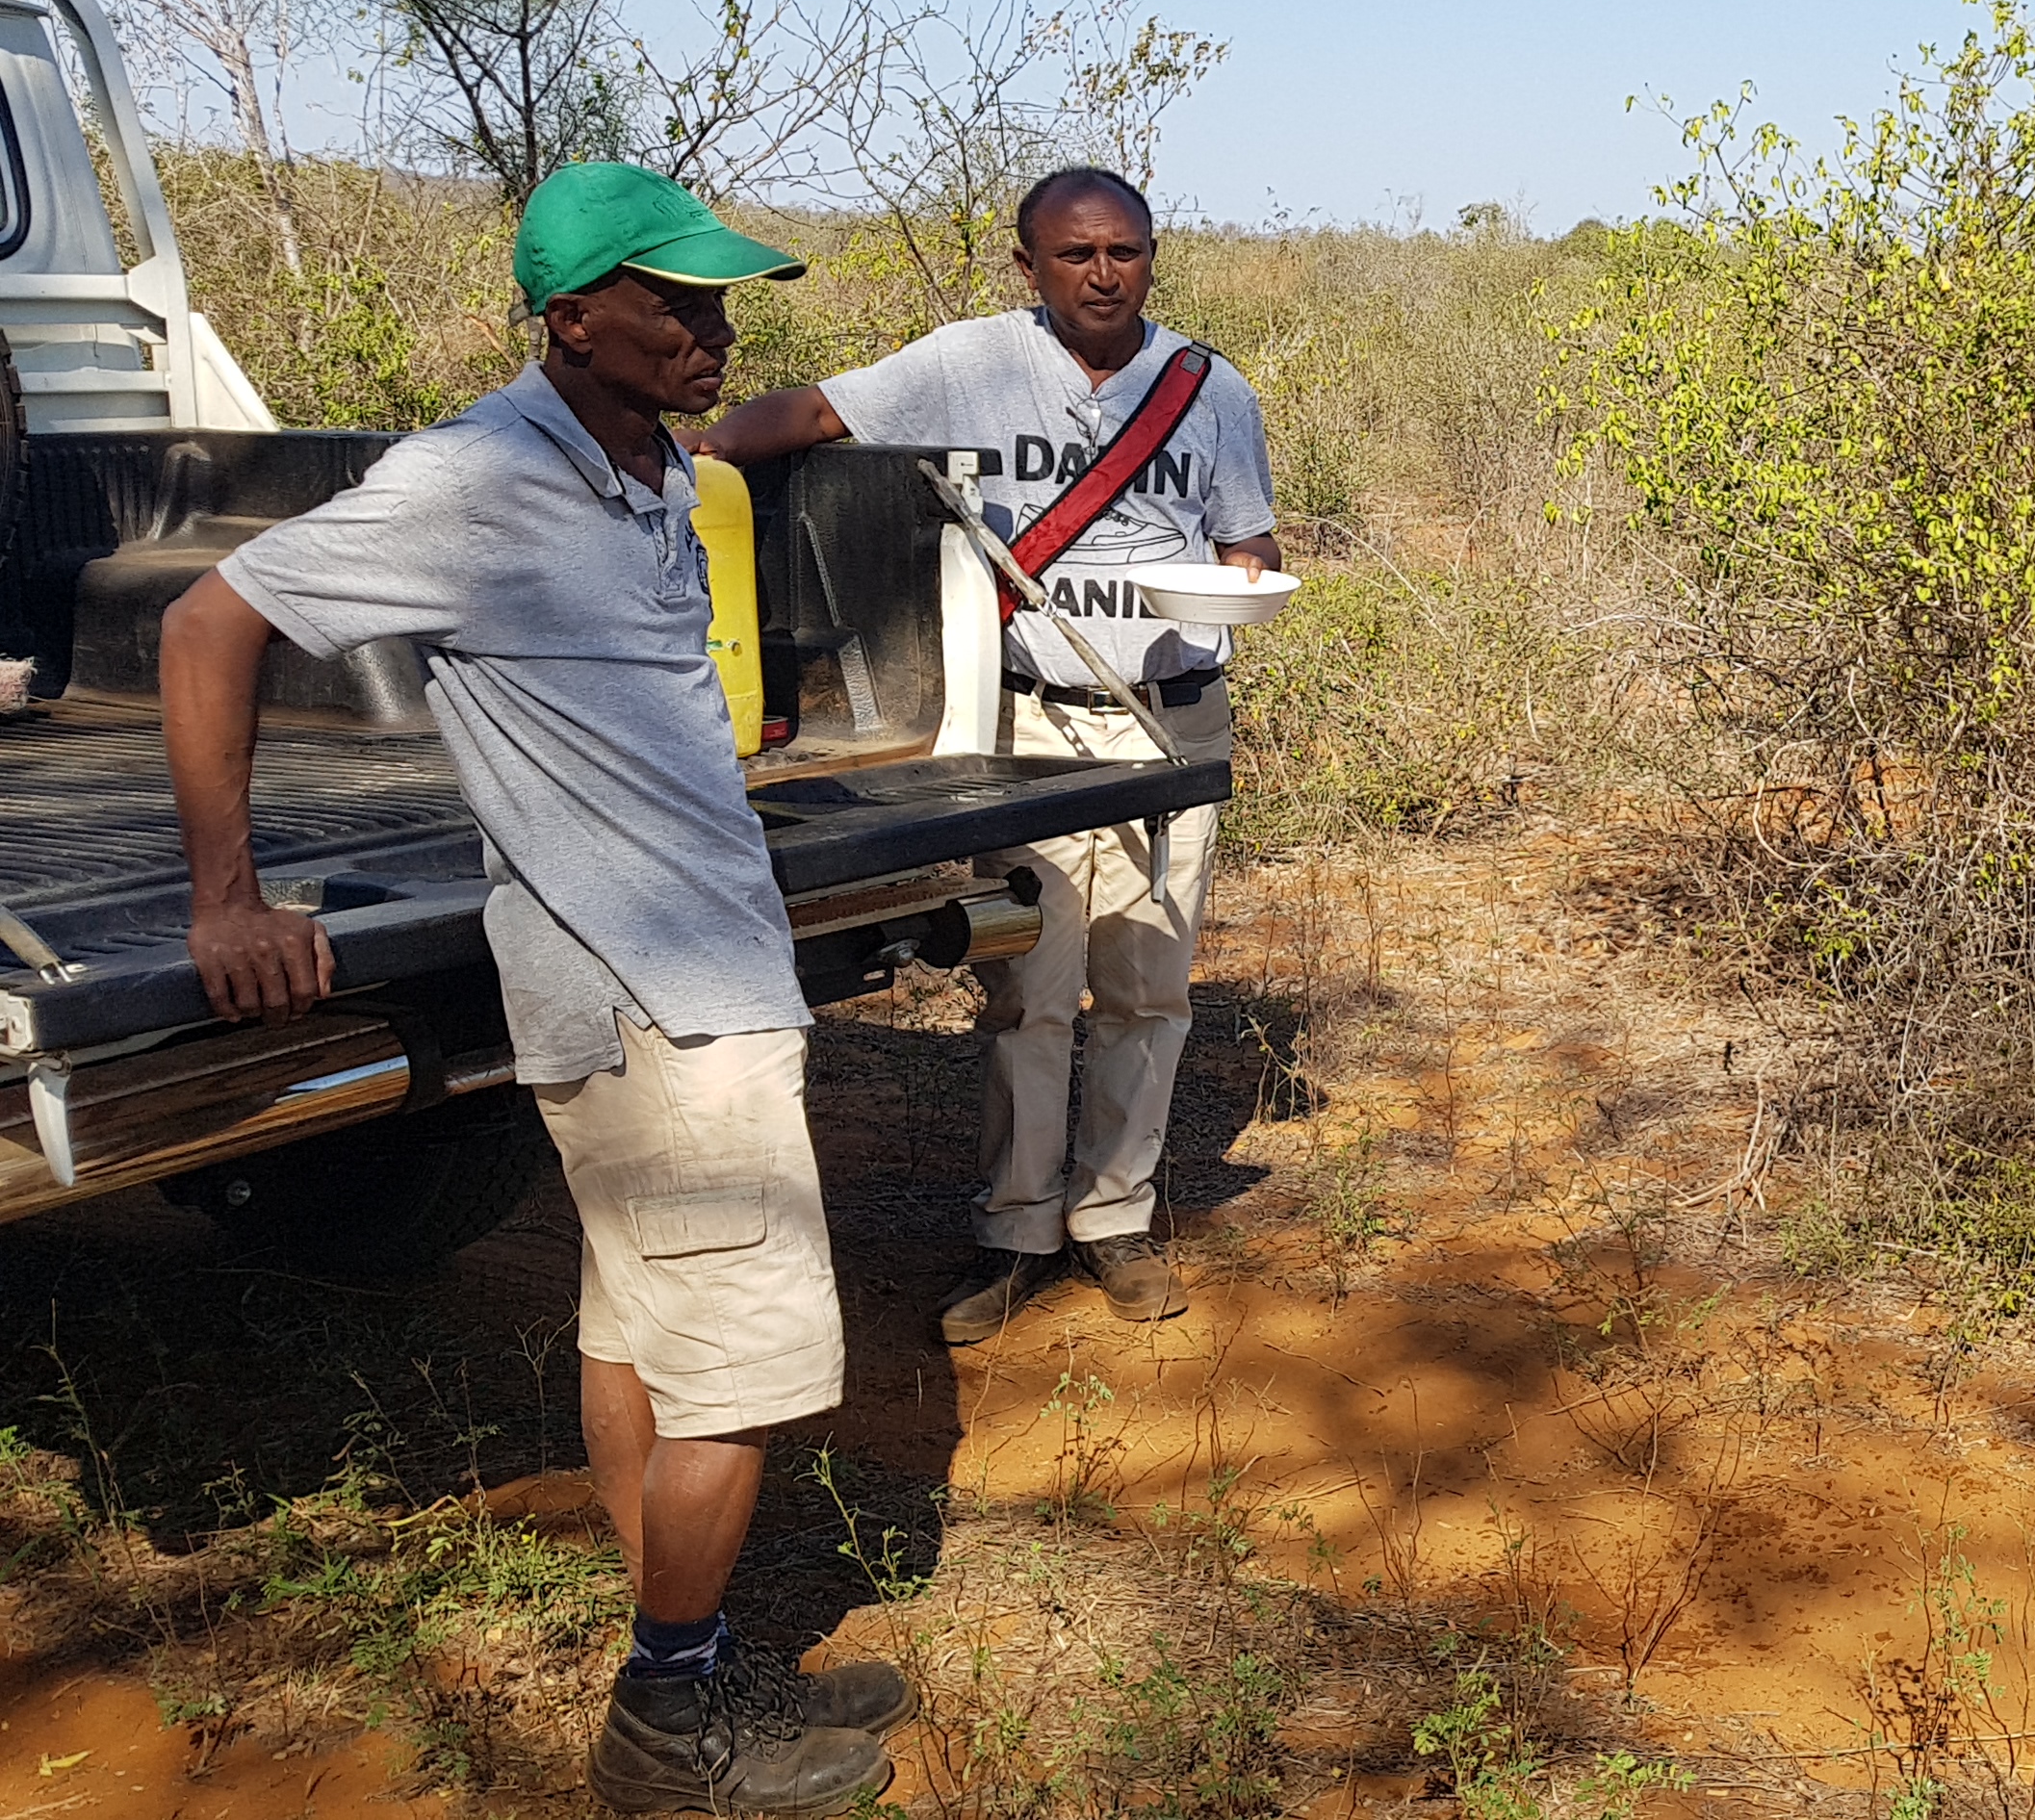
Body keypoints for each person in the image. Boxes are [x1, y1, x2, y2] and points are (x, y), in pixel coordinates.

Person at [165, 162, 914, 1816]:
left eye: (716, 302)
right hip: (661, 997)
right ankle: (668, 1729)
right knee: (746, 1360)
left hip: (651, 979)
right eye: (670, 303)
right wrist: (232, 894)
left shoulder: (648, 462)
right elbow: (214, 621)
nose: (708, 331)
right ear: (569, 315)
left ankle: (692, 1666)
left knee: (641, 1328)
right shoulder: (475, 476)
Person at [694, 166, 1277, 1342]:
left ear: (1153, 254)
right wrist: (683, 478)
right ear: (1029, 267)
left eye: (1126, 251)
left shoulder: (1211, 392)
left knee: (1149, 985)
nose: (1103, 275)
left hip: (1171, 716)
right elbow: (805, 416)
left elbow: (1246, 543)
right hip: (1025, 723)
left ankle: (1114, 1220)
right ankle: (1013, 1231)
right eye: (1075, 255)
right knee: (1030, 988)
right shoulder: (965, 362)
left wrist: (1246, 588)